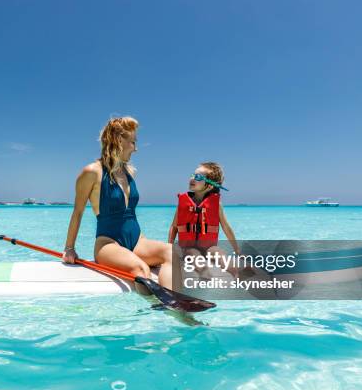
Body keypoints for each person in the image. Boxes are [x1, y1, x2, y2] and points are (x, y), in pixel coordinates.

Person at [62, 116, 173, 289]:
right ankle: (158, 304)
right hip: (108, 243)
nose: (135, 149)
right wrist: (69, 248)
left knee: (173, 252)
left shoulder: (129, 172)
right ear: (119, 140)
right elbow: (78, 212)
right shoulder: (92, 172)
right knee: (140, 269)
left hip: (137, 241)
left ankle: (174, 299)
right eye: (133, 142)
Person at [168, 162, 241, 278]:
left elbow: (226, 227)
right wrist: (169, 246)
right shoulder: (183, 202)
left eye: (198, 177)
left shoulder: (216, 205)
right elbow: (174, 226)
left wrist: (237, 249)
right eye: (192, 175)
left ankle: (236, 271)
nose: (192, 178)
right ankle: (204, 272)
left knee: (218, 252)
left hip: (209, 246)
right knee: (192, 253)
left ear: (210, 185)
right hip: (188, 247)